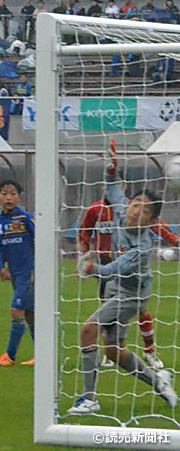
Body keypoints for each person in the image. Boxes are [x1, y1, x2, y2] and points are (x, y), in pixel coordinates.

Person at [69, 147, 178, 414]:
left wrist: (90, 268)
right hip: (117, 290)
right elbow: (113, 188)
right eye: (135, 203)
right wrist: (111, 170)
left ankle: (89, 399)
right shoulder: (120, 212)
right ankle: (159, 382)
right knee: (114, 352)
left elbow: (114, 268)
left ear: (151, 220)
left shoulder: (141, 247)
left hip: (131, 296)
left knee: (88, 330)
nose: (135, 210)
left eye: (143, 210)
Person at [0, 180, 35, 367]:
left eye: (13, 193)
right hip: (15, 274)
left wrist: (37, 269)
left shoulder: (25, 219)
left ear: (19, 197)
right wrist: (0, 266)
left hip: (29, 273)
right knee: (30, 313)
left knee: (16, 310)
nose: (9, 197)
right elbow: (2, 248)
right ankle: (42, 354)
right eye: (5, 194)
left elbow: (40, 239)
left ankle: (9, 356)